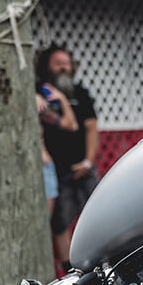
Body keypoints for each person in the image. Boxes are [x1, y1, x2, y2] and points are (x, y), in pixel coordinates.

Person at [36, 44, 100, 266]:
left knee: (98, 213)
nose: (64, 67)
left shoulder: (80, 93)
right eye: (58, 63)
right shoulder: (40, 93)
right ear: (47, 67)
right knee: (60, 222)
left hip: (82, 167)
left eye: (67, 63)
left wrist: (88, 161)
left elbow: (90, 128)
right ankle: (71, 269)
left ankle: (102, 262)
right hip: (56, 170)